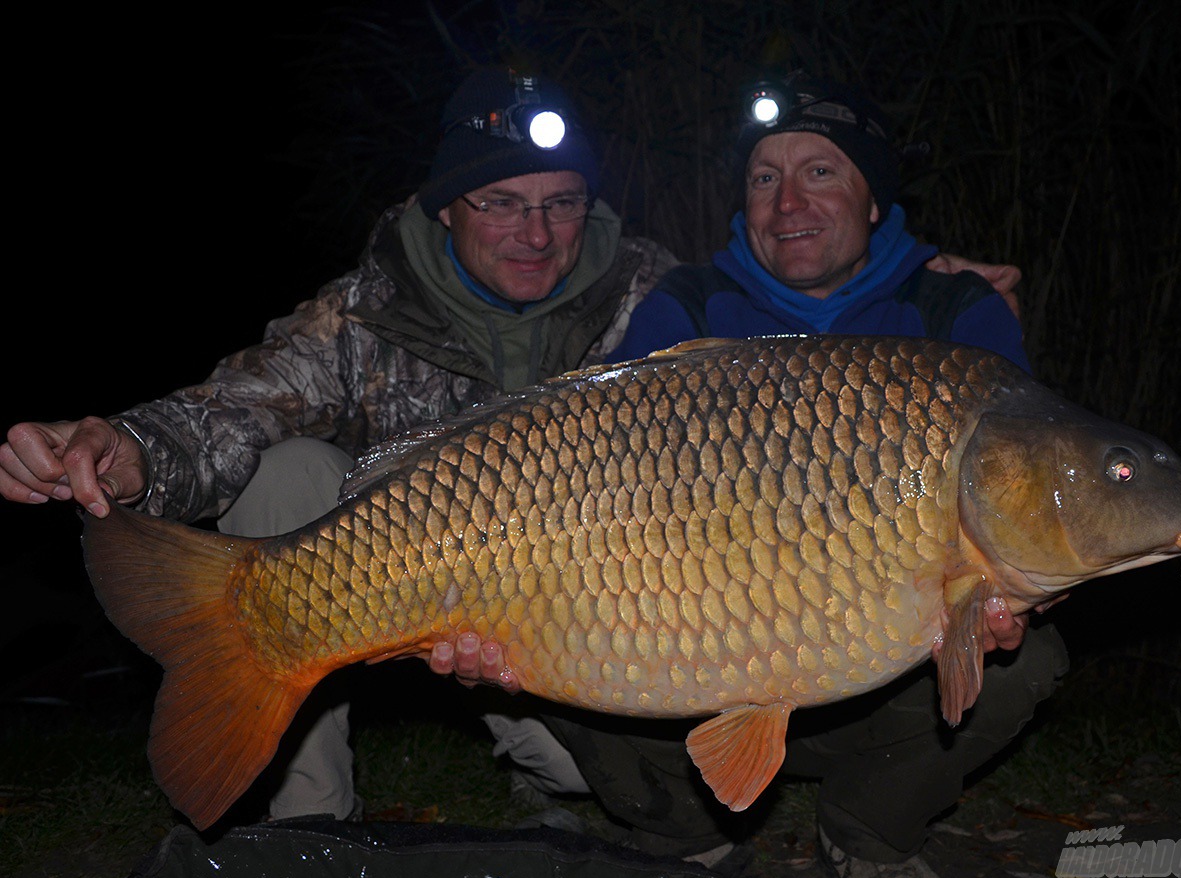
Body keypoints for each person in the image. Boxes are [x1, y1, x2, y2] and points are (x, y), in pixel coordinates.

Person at [0, 66, 679, 823]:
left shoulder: (652, 304)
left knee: (599, 773)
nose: (538, 234)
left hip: (587, 608)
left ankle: (553, 775)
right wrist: (130, 450)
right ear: (447, 207)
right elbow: (236, 404)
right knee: (284, 474)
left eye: (563, 204)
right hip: (388, 583)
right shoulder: (367, 312)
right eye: (502, 205)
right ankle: (310, 827)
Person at [527, 71, 1069, 878]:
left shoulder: (955, 309)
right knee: (557, 605)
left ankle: (869, 834)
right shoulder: (689, 304)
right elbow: (592, 460)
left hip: (880, 676)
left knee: (1022, 657)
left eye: (821, 171)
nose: (787, 203)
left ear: (875, 198)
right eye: (763, 178)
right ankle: (686, 839)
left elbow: (1024, 476)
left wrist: (1001, 596)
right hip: (688, 645)